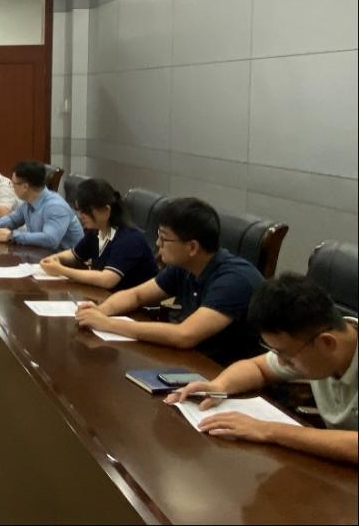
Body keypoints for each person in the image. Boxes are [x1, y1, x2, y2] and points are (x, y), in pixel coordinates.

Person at [166, 274, 357, 464]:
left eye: (285, 354)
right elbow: (257, 367)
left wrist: (268, 430)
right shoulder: (313, 345)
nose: (281, 362)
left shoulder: (314, 343)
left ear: (327, 343)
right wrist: (220, 386)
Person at [73, 197, 264, 365]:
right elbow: (137, 295)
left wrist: (107, 324)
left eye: (164, 239)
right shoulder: (185, 266)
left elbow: (184, 335)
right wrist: (100, 311)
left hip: (220, 371)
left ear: (192, 247)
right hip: (190, 359)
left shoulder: (233, 281)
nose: (157, 244)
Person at [39, 178, 157, 290]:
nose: (80, 216)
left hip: (136, 303)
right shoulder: (97, 231)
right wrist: (56, 258)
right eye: (79, 210)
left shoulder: (129, 239)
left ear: (106, 210)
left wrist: (61, 270)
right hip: (107, 296)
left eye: (86, 211)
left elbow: (107, 279)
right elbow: (74, 255)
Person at [0, 160, 83, 250]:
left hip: (67, 261)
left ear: (25, 187)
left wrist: (12, 236)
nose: (11, 187)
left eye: (13, 183)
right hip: (44, 255)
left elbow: (50, 240)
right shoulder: (29, 201)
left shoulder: (55, 207)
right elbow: (13, 219)